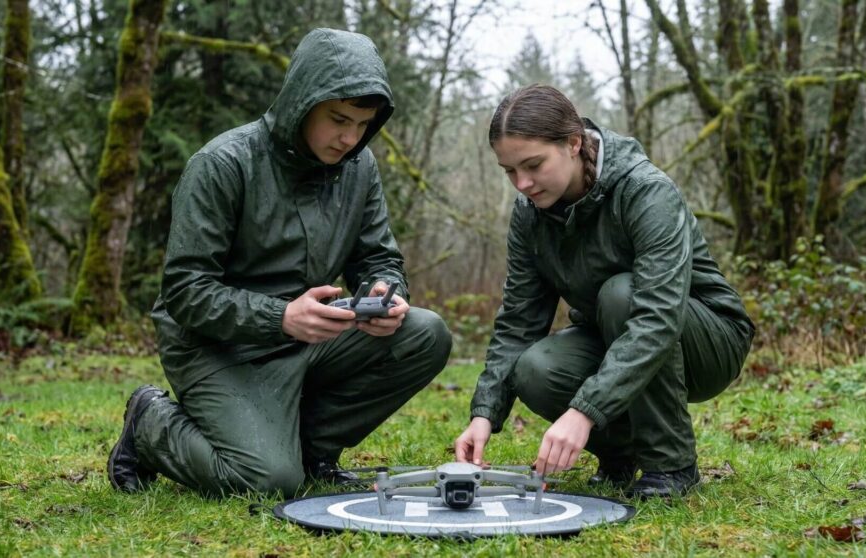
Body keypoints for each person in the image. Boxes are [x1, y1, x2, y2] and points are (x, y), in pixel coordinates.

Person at [107, 28, 452, 497]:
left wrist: (383, 290)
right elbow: (185, 292)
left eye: (362, 124)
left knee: (424, 333)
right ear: (302, 101)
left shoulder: (359, 168)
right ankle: (150, 423)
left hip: (309, 335)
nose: (349, 138)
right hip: (216, 348)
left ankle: (311, 449)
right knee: (267, 481)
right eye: (338, 119)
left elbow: (377, 256)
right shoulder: (222, 164)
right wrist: (281, 317)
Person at [453, 84, 754, 499]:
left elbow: (657, 317)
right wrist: (484, 414)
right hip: (613, 332)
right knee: (534, 368)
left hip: (708, 339)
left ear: (574, 143)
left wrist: (583, 412)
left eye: (533, 165)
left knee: (621, 294)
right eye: (509, 171)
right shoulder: (529, 215)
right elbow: (519, 321)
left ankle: (671, 466)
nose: (521, 183)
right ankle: (621, 455)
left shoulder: (646, 191)